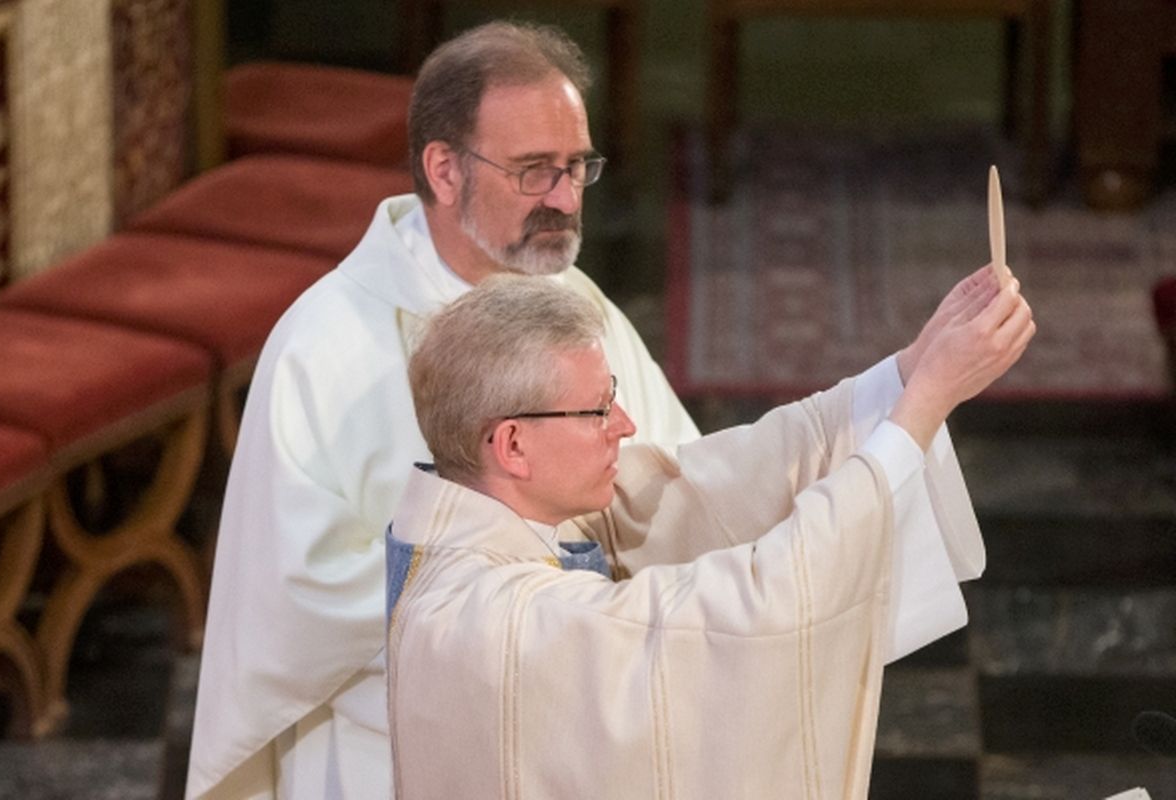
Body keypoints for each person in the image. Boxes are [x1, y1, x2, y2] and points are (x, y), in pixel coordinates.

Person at [185, 21, 699, 800]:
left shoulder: (571, 305)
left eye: (576, 167)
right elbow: (297, 600)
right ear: (445, 170)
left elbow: (673, 479)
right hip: (397, 756)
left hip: (570, 734)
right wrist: (525, 602)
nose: (565, 199)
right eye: (534, 172)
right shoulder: (324, 351)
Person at [387, 270, 1034, 798]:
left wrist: (909, 370)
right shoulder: (490, 624)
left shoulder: (507, 516)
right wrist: (920, 410)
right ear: (513, 445)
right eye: (596, 410)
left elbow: (726, 478)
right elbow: (756, 606)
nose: (627, 424)